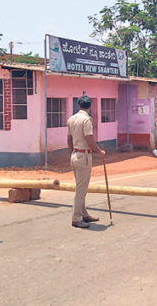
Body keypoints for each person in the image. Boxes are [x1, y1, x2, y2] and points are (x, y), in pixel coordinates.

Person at [67, 96, 104, 229]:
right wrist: (99, 151)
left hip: (75, 155)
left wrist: (72, 153)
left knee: (80, 187)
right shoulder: (86, 120)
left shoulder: (71, 119)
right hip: (84, 156)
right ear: (90, 107)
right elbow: (89, 138)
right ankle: (76, 218)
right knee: (81, 189)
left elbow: (69, 140)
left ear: (78, 106)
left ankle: (83, 214)